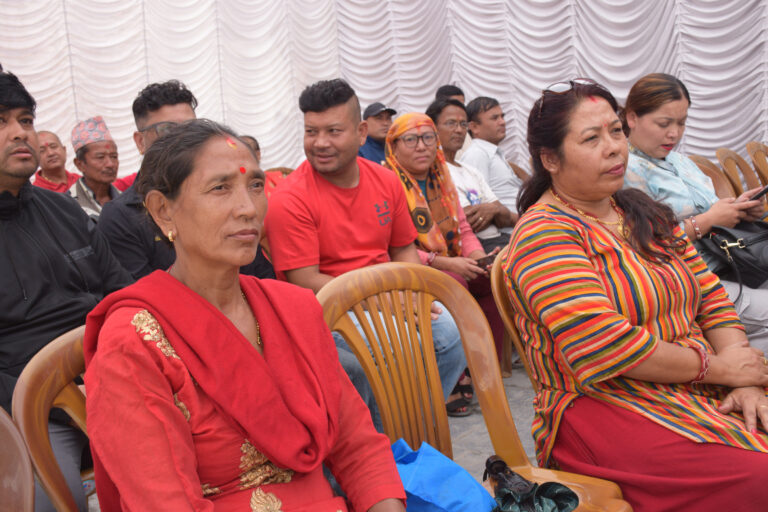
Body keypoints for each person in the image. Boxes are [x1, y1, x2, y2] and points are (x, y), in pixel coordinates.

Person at [83, 119, 405, 511]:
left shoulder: (293, 308)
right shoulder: (135, 343)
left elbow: (359, 447)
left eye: (255, 185)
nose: (249, 208)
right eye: (220, 188)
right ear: (163, 211)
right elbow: (165, 502)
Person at [504, 78, 768, 510]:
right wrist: (720, 370)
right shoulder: (544, 234)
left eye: (615, 131)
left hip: (697, 384)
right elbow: (606, 345)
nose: (614, 148)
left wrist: (747, 379)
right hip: (606, 405)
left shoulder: (641, 212)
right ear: (550, 158)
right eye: (592, 138)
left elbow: (710, 297)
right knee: (760, 476)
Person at [266, 78, 468, 419]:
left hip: (386, 297)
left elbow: (403, 250)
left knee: (452, 334)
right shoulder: (290, 198)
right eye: (311, 132)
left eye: (333, 131)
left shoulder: (385, 180)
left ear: (361, 133)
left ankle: (414, 425)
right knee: (393, 347)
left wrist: (410, 294)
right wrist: (381, 302)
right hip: (330, 308)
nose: (320, 143)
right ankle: (385, 436)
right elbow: (304, 280)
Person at [0, 67, 131, 512]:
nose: (20, 133)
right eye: (1, 122)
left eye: (25, 120)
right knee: (51, 501)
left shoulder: (65, 210)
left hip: (115, 380)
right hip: (31, 408)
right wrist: (53, 395)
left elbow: (122, 296)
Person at [622, 73, 768, 354]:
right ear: (632, 118)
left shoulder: (679, 160)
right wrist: (708, 221)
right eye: (664, 123)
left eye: (681, 123)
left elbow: (710, 209)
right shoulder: (625, 171)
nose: (674, 133)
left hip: (732, 264)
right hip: (688, 284)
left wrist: (738, 210)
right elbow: (639, 243)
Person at [97, 80, 274, 281]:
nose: (185, 141)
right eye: (168, 130)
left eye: (192, 129)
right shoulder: (121, 216)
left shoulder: (230, 203)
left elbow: (260, 277)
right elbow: (140, 292)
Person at [383, 111, 505, 362]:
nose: (421, 146)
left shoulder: (442, 177)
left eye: (428, 138)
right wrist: (444, 263)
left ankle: (486, 364)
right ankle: (460, 368)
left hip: (451, 258)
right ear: (393, 146)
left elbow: (464, 229)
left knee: (491, 278)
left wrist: (478, 258)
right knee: (454, 282)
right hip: (409, 266)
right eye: (410, 139)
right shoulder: (386, 182)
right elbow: (390, 246)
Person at [427, 97, 516, 253]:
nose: (459, 130)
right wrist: (493, 210)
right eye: (451, 123)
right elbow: (465, 220)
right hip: (474, 247)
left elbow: (505, 217)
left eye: (463, 124)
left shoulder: (470, 171)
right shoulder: (433, 171)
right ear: (432, 129)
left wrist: (493, 210)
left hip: (499, 239)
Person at [460, 96, 523, 214]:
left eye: (502, 116)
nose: (502, 122)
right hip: (509, 225)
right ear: (474, 127)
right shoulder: (476, 154)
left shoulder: (492, 153)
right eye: (495, 118)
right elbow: (479, 206)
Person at [68, 116, 120, 219]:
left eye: (114, 157)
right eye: (100, 157)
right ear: (80, 164)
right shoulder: (69, 204)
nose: (110, 164)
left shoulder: (125, 199)